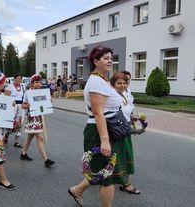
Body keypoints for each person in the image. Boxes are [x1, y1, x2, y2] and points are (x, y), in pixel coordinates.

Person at [68, 46, 125, 207]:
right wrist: (105, 140)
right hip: (99, 131)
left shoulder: (103, 80)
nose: (110, 60)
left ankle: (77, 190)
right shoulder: (95, 82)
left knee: (105, 172)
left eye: (111, 58)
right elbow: (98, 113)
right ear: (95, 61)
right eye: (105, 58)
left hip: (107, 129)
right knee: (107, 177)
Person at [20, 74, 55, 168]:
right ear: (32, 83)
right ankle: (46, 159)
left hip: (39, 117)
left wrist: (49, 101)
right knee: (40, 138)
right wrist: (27, 105)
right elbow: (23, 105)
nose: (38, 84)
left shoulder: (41, 92)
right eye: (36, 82)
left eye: (40, 82)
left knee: (30, 136)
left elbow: (44, 104)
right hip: (32, 118)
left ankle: (23, 153)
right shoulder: (28, 92)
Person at [114, 71, 140, 194]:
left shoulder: (126, 94)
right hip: (117, 129)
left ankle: (125, 182)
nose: (124, 84)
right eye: (120, 82)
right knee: (121, 155)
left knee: (125, 155)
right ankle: (126, 183)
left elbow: (126, 111)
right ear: (113, 84)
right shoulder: (113, 96)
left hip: (125, 128)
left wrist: (132, 117)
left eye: (126, 81)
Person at [4, 73, 25, 148]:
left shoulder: (22, 87)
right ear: (14, 78)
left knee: (19, 124)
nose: (18, 80)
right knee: (11, 124)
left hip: (20, 107)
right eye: (17, 78)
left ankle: (17, 142)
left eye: (20, 78)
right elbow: (5, 98)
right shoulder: (10, 87)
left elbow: (24, 97)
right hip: (12, 107)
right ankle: (6, 135)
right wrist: (10, 102)